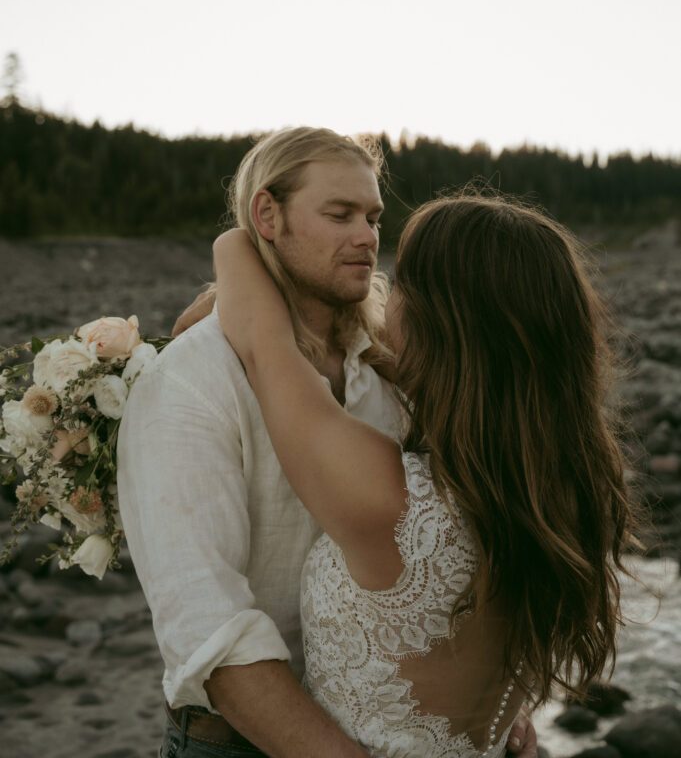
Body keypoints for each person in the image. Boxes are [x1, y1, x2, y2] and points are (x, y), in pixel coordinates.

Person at [117, 127, 536, 757]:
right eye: (339, 215)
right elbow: (207, 628)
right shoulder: (192, 380)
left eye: (372, 217)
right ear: (269, 214)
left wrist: (491, 704)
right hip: (246, 742)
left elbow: (477, 537)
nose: (367, 237)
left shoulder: (399, 369)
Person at [210, 191, 633, 757]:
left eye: (402, 282)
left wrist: (244, 235)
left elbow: (263, 342)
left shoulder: (389, 500)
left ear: (445, 322)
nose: (386, 297)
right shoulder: (564, 491)